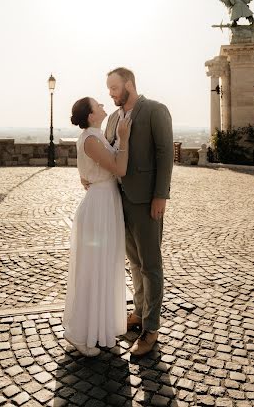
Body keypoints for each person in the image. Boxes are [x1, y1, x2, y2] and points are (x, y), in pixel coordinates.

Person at [105, 67, 173, 356]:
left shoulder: (155, 111)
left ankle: (151, 328)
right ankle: (140, 311)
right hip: (117, 200)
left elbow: (165, 154)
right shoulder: (111, 119)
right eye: (108, 88)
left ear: (129, 85)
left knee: (151, 265)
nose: (110, 93)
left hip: (147, 201)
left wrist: (161, 195)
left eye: (115, 87)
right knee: (133, 262)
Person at [63, 96, 132, 357]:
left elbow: (90, 171)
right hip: (98, 207)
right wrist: (124, 140)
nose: (104, 106)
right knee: (93, 269)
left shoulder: (96, 135)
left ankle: (101, 329)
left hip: (106, 202)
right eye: (98, 105)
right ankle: (81, 333)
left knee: (105, 266)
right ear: (91, 116)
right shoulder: (91, 139)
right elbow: (119, 168)